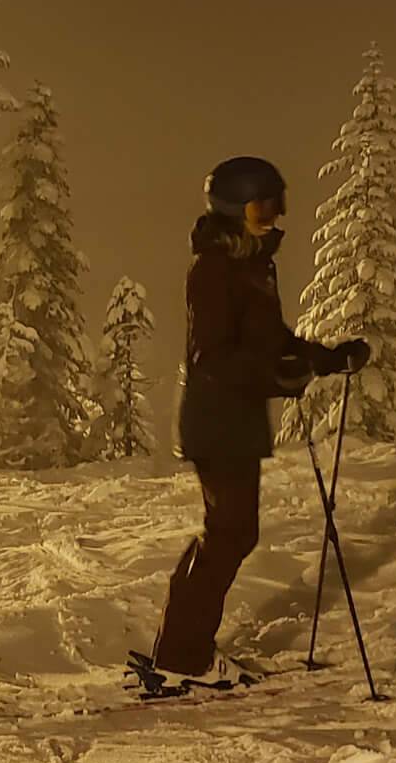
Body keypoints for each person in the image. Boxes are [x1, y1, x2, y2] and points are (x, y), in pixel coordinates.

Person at [152, 155, 369, 685]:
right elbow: (214, 357)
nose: (273, 214)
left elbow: (273, 343)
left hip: (236, 418)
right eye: (262, 204)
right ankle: (185, 656)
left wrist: (325, 359)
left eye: (277, 202)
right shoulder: (214, 268)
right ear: (233, 208)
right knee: (229, 534)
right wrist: (281, 378)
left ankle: (182, 649)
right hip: (216, 419)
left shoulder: (251, 265)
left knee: (230, 533)